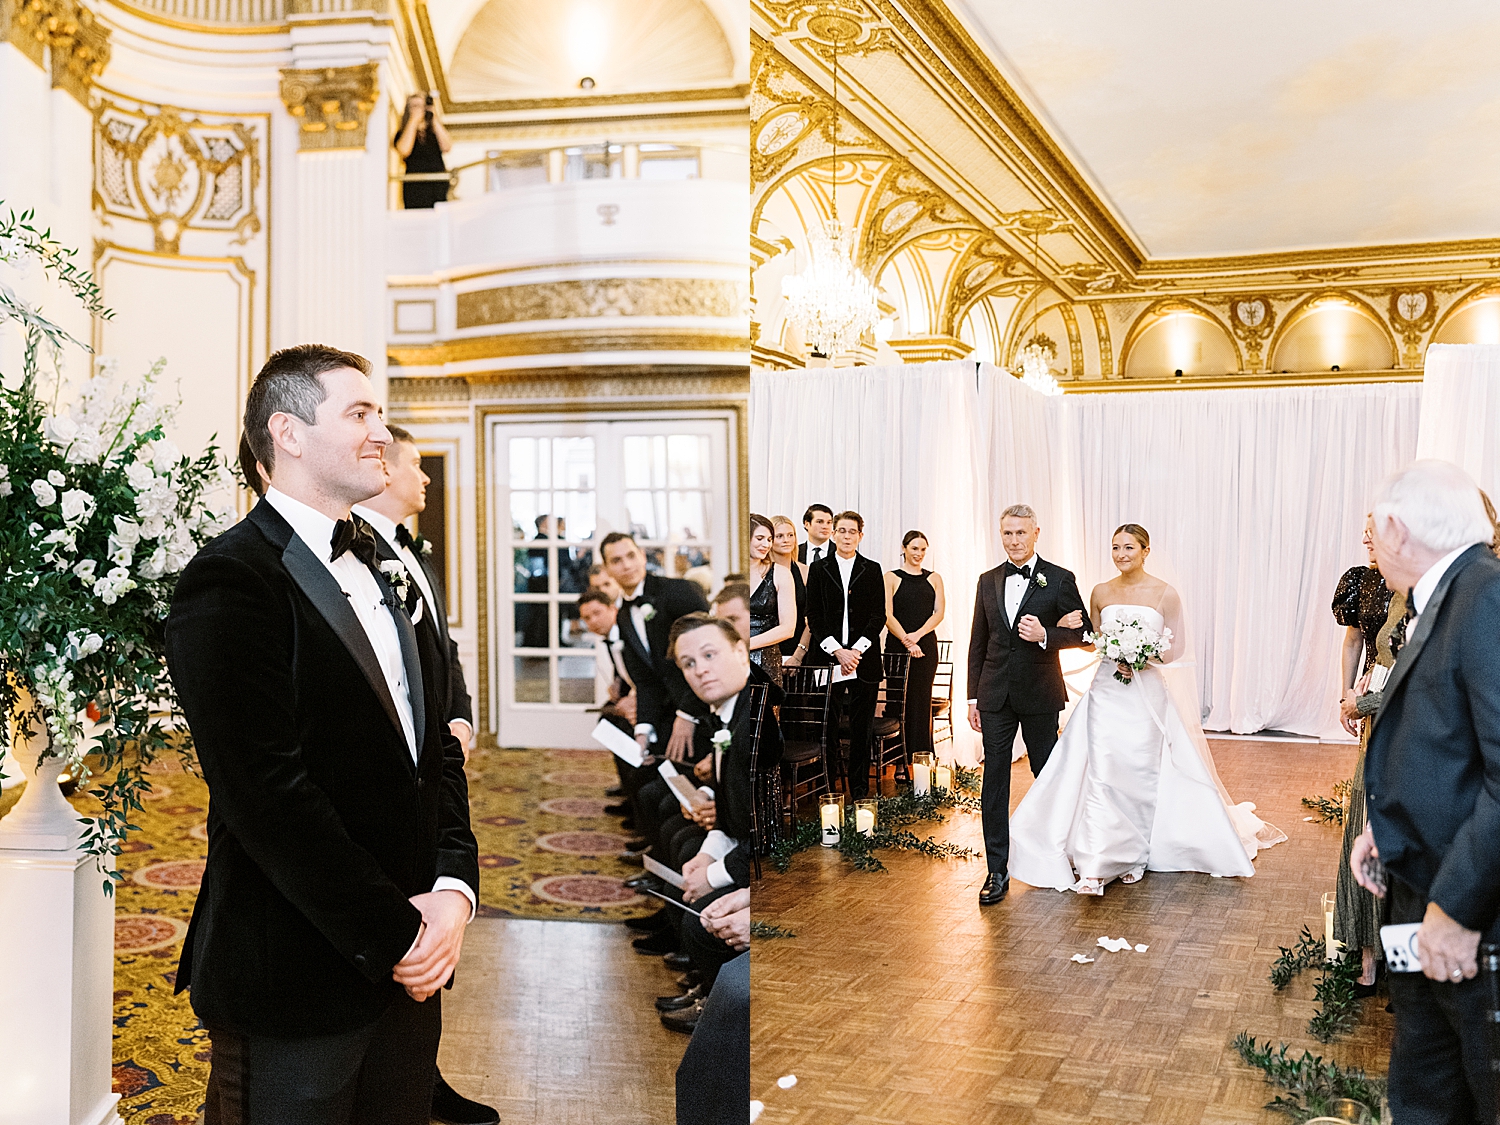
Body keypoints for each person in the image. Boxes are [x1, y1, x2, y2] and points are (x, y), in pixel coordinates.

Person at [165, 344, 479, 1124]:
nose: (382, 431)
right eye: (361, 413)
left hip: (412, 965)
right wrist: (399, 931)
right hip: (295, 971)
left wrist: (452, 890)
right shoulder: (231, 578)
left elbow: (433, 747)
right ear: (290, 433)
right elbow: (267, 796)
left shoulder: (386, 564)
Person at [1008, 523, 1286, 897]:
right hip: (1106, 691)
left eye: (1129, 548)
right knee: (1103, 770)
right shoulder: (1101, 591)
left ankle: (1134, 852)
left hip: (1146, 692)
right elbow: (1093, 642)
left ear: (1145, 550)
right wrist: (1067, 626)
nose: (1121, 555)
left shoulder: (1165, 594)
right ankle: (1097, 863)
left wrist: (1141, 657)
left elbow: (1176, 649)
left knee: (1139, 769)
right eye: (1115, 548)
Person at [348, 425, 493, 1125]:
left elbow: (444, 650)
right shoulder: (355, 554)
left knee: (436, 899)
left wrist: (460, 719)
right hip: (391, 779)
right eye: (416, 464)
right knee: (407, 904)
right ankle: (410, 1070)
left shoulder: (416, 554)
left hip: (437, 761)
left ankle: (420, 1067)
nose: (427, 477)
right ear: (384, 470)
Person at [1352, 460, 1500, 1124]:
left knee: (1471, 1087)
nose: (1372, 548)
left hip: (1463, 909)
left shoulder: (1485, 598)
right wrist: (1386, 831)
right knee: (1426, 1089)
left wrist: (1457, 910)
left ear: (1395, 526)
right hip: (1421, 886)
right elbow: (1447, 746)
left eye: (1375, 531)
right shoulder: (1451, 593)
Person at [967, 503, 1091, 905]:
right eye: (1007, 533)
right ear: (1000, 534)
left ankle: (1064, 851)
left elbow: (1085, 634)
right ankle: (996, 871)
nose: (1014, 540)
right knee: (995, 781)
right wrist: (973, 697)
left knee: (1047, 774)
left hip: (1039, 694)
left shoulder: (1059, 579)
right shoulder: (987, 580)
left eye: (1021, 533)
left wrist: (1045, 634)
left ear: (1037, 533)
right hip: (994, 696)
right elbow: (978, 642)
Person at [1331, 514, 1400, 993]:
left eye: (1372, 528)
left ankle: (1397, 953)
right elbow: (1356, 639)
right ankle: (1368, 952)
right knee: (1362, 821)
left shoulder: (1422, 590)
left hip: (1398, 711)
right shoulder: (1365, 582)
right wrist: (1346, 696)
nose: (1364, 537)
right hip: (1373, 709)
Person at [601, 531, 710, 761]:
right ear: (607, 569)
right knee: (644, 768)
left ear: (642, 556)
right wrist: (643, 731)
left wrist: (688, 715)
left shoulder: (679, 591)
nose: (626, 565)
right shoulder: (622, 615)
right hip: (666, 710)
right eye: (616, 561)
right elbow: (645, 680)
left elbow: (709, 657)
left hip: (704, 707)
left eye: (631, 555)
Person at [805, 511, 886, 799]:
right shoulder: (818, 569)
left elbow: (879, 616)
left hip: (864, 661)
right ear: (834, 534)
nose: (847, 536)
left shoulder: (873, 569)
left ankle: (860, 793)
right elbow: (813, 616)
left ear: (860, 536)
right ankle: (829, 792)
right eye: (841, 530)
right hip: (828, 659)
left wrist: (855, 651)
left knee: (861, 730)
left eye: (853, 531)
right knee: (827, 727)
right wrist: (837, 651)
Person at [884, 530, 946, 765]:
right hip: (896, 649)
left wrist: (917, 637)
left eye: (922, 549)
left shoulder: (934, 578)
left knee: (921, 701)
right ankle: (899, 761)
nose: (919, 553)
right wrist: (907, 642)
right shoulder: (890, 577)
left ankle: (922, 759)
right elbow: (887, 615)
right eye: (914, 548)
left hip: (926, 647)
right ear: (904, 548)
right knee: (899, 701)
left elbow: (939, 613)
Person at [747, 512, 796, 685]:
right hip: (730, 659)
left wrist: (746, 644)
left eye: (769, 539)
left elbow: (788, 628)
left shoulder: (781, 574)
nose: (766, 544)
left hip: (765, 662)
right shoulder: (729, 572)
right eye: (760, 538)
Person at [394, 93, 452, 210]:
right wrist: (413, 121)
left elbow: (447, 147)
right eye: (415, 106)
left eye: (422, 106)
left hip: (437, 182)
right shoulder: (403, 132)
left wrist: (434, 118)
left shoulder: (433, 132)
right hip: (415, 184)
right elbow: (404, 150)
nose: (420, 109)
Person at [770, 515, 810, 664]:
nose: (786, 540)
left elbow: (812, 619)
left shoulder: (806, 572)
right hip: (767, 649)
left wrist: (798, 655)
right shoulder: (761, 573)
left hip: (801, 649)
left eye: (790, 535)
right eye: (779, 536)